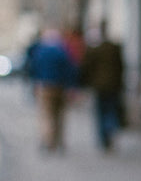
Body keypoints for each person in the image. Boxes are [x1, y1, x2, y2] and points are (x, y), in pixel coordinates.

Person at [26, 28, 79, 152]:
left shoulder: (40, 52)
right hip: (60, 86)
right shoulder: (63, 51)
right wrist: (71, 86)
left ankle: (48, 141)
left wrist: (34, 84)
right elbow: (71, 70)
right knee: (60, 115)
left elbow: (33, 68)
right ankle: (60, 142)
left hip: (44, 86)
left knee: (46, 114)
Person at [80, 23, 125, 152]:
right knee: (111, 109)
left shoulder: (95, 50)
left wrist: (85, 82)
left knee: (101, 111)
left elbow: (87, 67)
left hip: (99, 86)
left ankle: (104, 136)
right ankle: (111, 129)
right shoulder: (115, 49)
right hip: (114, 86)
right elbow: (120, 67)